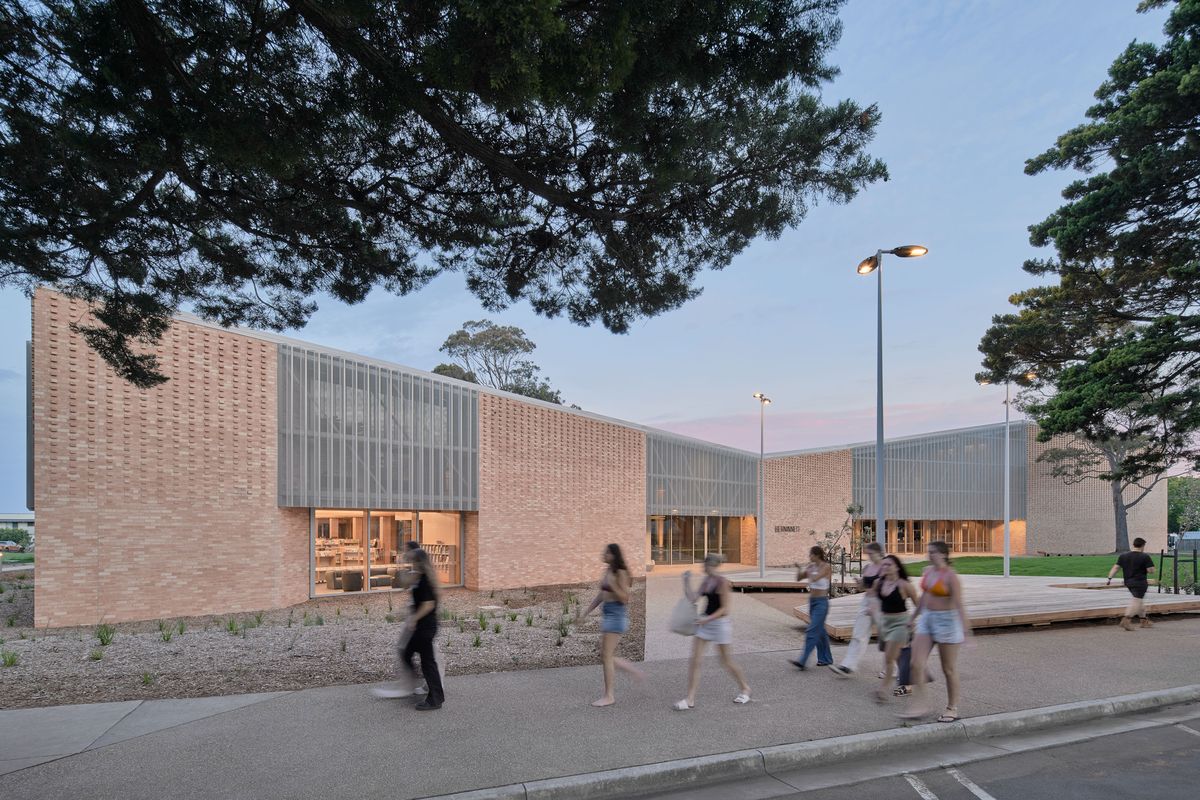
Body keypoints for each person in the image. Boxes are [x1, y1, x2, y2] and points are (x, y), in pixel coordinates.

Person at [901, 541, 969, 722]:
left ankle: (952, 708)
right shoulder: (928, 571)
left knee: (948, 669)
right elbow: (925, 596)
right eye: (928, 551)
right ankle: (921, 704)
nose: (929, 555)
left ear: (943, 554)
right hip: (927, 619)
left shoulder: (951, 576)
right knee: (916, 663)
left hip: (947, 622)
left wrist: (966, 631)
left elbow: (958, 603)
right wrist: (913, 617)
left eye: (933, 552)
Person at [673, 554, 752, 710]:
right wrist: (686, 581)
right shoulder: (707, 581)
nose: (703, 567)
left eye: (705, 564)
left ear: (712, 565)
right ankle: (690, 699)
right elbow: (692, 598)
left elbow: (725, 609)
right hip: (706, 624)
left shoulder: (722, 582)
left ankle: (745, 688)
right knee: (695, 661)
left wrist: (706, 620)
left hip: (720, 624)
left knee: (726, 661)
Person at [578, 543, 644, 706]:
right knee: (606, 654)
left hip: (617, 614)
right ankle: (631, 670)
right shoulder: (608, 570)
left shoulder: (621, 572)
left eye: (606, 552)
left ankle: (609, 696)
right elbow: (602, 594)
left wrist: (613, 585)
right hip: (608, 613)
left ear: (613, 555)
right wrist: (586, 612)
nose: (603, 554)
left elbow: (625, 598)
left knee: (606, 655)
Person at [399, 547, 445, 710]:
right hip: (421, 627)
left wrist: (414, 618)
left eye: (412, 560)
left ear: (419, 562)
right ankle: (420, 686)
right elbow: (404, 585)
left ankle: (435, 699)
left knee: (428, 662)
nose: (410, 562)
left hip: (425, 627)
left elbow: (428, 605)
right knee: (406, 653)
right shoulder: (419, 577)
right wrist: (405, 570)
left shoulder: (425, 580)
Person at [829, 542, 885, 677]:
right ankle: (848, 665)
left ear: (879, 553)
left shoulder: (886, 567)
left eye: (872, 553)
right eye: (868, 554)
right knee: (859, 634)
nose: (870, 556)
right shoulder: (868, 568)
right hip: (867, 601)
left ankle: (892, 668)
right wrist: (859, 582)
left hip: (882, 603)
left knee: (887, 637)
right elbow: (862, 588)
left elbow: (887, 587)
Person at [873, 555, 920, 702]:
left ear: (897, 567)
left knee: (889, 657)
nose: (885, 567)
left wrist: (913, 620)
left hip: (901, 623)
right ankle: (908, 684)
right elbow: (875, 601)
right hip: (885, 623)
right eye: (884, 565)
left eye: (889, 565)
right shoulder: (878, 583)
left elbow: (919, 605)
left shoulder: (905, 585)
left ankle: (883, 689)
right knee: (899, 656)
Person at [791, 546, 834, 670]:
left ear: (817, 555)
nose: (809, 557)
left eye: (811, 555)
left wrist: (809, 571)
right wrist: (799, 569)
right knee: (820, 631)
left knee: (812, 630)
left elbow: (816, 577)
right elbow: (799, 578)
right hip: (813, 602)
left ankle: (802, 660)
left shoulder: (826, 567)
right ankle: (826, 659)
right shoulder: (811, 567)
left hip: (822, 603)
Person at [1107, 537, 1157, 631]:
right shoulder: (1144, 556)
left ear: (1133, 545)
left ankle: (1143, 621)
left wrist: (1110, 578)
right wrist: (1152, 569)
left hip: (1128, 582)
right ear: (1142, 546)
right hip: (1140, 582)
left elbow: (1116, 568)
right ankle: (1126, 620)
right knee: (1136, 601)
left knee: (1139, 601)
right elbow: (1151, 570)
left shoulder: (1123, 556)